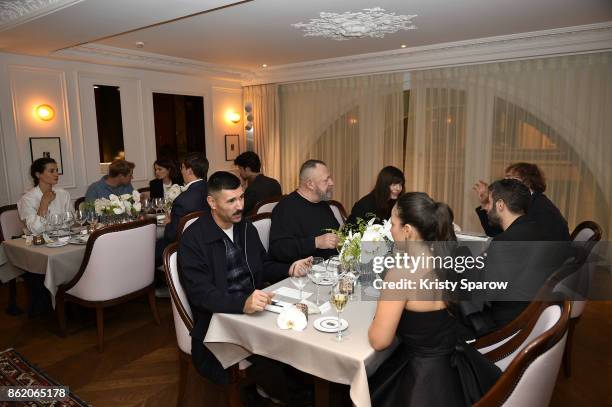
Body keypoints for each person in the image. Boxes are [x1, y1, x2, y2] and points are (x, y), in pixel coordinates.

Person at [178, 171, 313, 401]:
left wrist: (289, 268)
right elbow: (201, 294)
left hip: (255, 306)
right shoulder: (194, 239)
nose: (240, 205)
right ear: (212, 202)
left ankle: (297, 389)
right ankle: (291, 394)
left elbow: (263, 265)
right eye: (231, 201)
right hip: (219, 321)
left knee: (303, 330)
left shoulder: (245, 228)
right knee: (279, 352)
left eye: (241, 197)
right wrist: (243, 303)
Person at [367, 192, 500, 407]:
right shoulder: (450, 258)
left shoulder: (401, 274)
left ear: (407, 231)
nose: (390, 230)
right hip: (454, 371)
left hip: (421, 379)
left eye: (393, 224)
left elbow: (380, 341)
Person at [473, 162, 569, 241]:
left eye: (509, 178)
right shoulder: (527, 202)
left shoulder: (543, 209)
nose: (504, 182)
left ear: (527, 182)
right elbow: (495, 233)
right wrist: (487, 202)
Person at [269, 159, 339, 263]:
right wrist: (316, 242)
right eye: (326, 180)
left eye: (330, 178)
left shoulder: (322, 203)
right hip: (303, 273)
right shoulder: (286, 208)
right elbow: (279, 249)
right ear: (310, 184)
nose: (332, 183)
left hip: (330, 268)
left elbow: (336, 232)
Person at [155, 152, 210, 267]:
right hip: (207, 242)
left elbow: (172, 235)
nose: (181, 171)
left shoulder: (182, 200)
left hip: (186, 248)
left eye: (183, 168)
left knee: (149, 249)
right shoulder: (211, 189)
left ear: (190, 171)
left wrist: (169, 222)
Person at [18, 157, 72, 235]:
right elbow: (35, 229)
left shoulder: (63, 194)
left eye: (57, 170)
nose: (56, 174)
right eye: (51, 171)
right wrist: (44, 203)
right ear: (38, 174)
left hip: (64, 238)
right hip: (39, 242)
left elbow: (71, 221)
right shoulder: (27, 199)